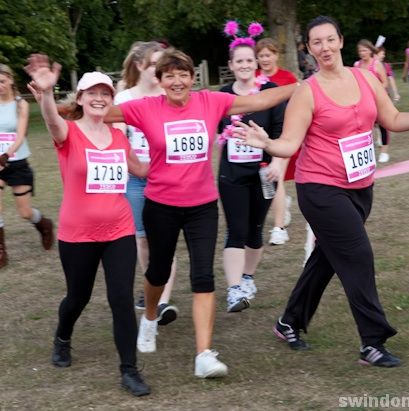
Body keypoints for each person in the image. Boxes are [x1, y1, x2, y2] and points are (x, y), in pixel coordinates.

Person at [234, 15, 409, 367]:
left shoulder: (366, 77)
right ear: (309, 49)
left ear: (341, 41)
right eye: (317, 42)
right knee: (358, 255)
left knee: (327, 258)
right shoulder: (307, 91)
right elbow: (290, 144)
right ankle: (372, 342)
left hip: (360, 186)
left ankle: (289, 322)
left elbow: (392, 119)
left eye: (330, 39)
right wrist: (266, 142)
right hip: (320, 188)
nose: (325, 47)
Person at [106, 49, 297, 378]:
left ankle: (204, 354)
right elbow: (102, 114)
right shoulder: (145, 107)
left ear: (192, 78)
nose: (177, 81)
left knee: (203, 277)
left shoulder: (210, 102)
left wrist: (304, 86)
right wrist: (62, 106)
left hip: (202, 206)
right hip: (161, 205)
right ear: (160, 80)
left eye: (183, 75)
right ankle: (150, 317)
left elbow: (260, 102)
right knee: (157, 273)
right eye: (170, 75)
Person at [25, 54, 151, 396]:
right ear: (80, 98)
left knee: (121, 298)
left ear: (111, 99)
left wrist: (174, 154)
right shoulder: (68, 133)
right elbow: (52, 122)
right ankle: (63, 336)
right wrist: (48, 94)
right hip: (78, 233)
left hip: (119, 230)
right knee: (77, 297)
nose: (99, 98)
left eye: (105, 93)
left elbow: (141, 170)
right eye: (91, 92)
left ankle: (129, 370)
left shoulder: (119, 137)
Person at [218, 39, 286, 312]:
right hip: (231, 174)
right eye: (240, 61)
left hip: (264, 174)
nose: (245, 65)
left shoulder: (271, 92)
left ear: (256, 63)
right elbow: (211, 130)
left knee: (255, 230)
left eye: (249, 60)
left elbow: (283, 132)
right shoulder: (222, 95)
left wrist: (278, 163)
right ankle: (234, 290)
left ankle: (247, 277)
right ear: (231, 65)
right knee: (236, 230)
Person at [114, 41, 178, 324]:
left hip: (169, 177)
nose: (159, 70)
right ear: (140, 65)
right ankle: (153, 287)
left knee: (165, 240)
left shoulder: (169, 96)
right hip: (135, 178)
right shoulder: (124, 98)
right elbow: (118, 139)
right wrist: (137, 168)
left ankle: (162, 301)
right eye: (154, 64)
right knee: (142, 238)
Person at [0, 64, 54, 268]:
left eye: (3, 81)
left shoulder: (19, 104)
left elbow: (20, 135)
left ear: (11, 80)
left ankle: (44, 224)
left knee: (25, 212)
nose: (0, 86)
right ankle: (1, 251)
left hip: (16, 161)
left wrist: (5, 155)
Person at [255, 37, 298, 245]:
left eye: (268, 55)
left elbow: (298, 104)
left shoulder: (287, 77)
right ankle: (282, 206)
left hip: (284, 134)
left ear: (275, 56)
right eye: (261, 55)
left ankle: (278, 228)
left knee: (275, 177)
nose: (265, 59)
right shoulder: (253, 79)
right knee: (266, 180)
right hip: (260, 137)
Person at [354, 39, 391, 163]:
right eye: (360, 51)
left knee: (382, 125)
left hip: (379, 100)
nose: (362, 53)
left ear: (370, 50)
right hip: (364, 102)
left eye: (364, 50)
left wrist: (376, 93)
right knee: (366, 127)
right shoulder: (357, 66)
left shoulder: (376, 64)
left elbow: (385, 82)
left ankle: (384, 152)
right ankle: (369, 153)